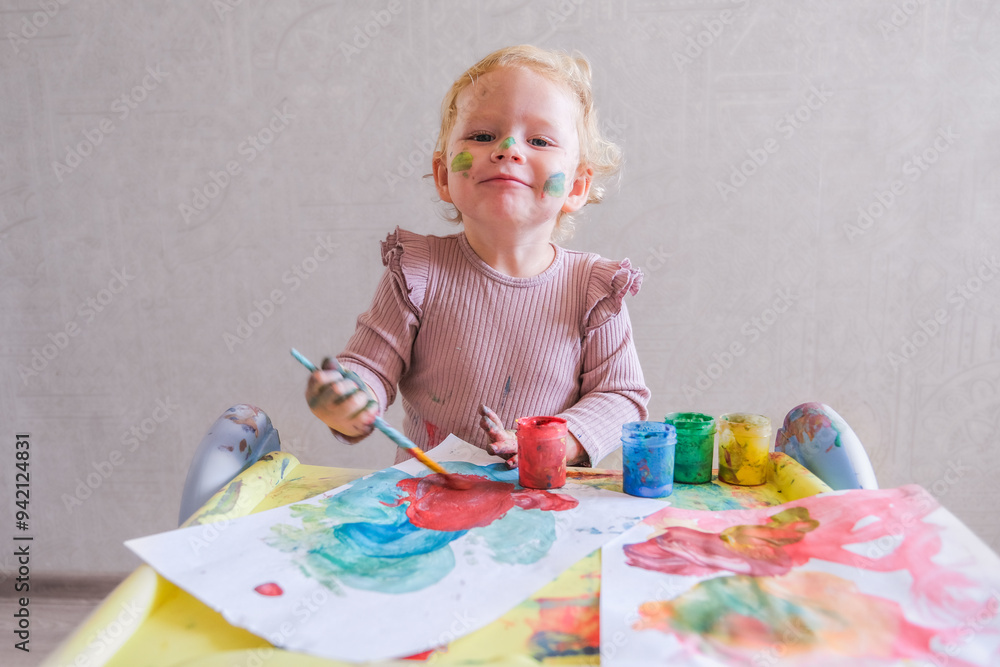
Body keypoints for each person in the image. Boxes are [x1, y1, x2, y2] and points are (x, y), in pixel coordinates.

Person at [305, 44, 649, 468]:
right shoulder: (418, 272)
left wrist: (551, 442)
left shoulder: (595, 289)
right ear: (443, 176)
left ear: (577, 186)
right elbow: (369, 369)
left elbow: (621, 398)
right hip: (425, 507)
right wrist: (348, 398)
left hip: (542, 506)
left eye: (539, 140)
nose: (508, 149)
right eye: (482, 136)